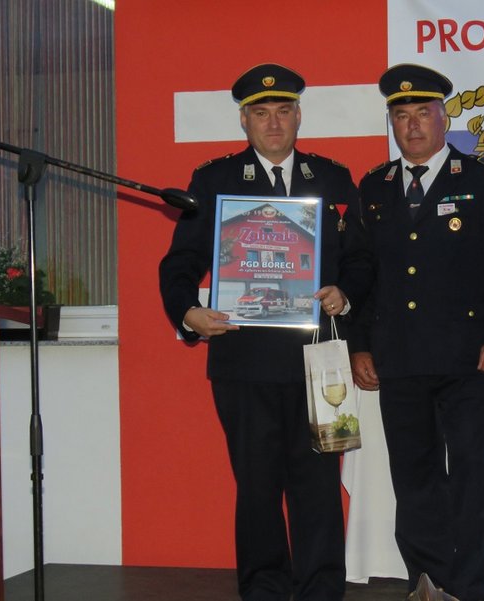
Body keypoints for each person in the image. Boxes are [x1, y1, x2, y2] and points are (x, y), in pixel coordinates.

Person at [159, 63, 372, 601]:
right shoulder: (215, 181)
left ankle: (321, 589)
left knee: (317, 485)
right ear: (244, 121)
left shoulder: (333, 178)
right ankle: (264, 590)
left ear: (298, 116)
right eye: (261, 113)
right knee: (256, 486)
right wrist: (189, 313)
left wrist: (345, 293)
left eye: (283, 111)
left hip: (318, 359)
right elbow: (178, 264)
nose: (273, 123)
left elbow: (362, 259)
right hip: (244, 360)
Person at [349, 64, 484, 601]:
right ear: (391, 122)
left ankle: (468, 588)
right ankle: (426, 582)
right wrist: (360, 344)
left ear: (444, 118)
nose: (412, 125)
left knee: (473, 478)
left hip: (467, 358)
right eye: (401, 115)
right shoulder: (374, 187)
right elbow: (362, 274)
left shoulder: (482, 180)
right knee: (415, 478)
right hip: (399, 358)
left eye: (422, 113)